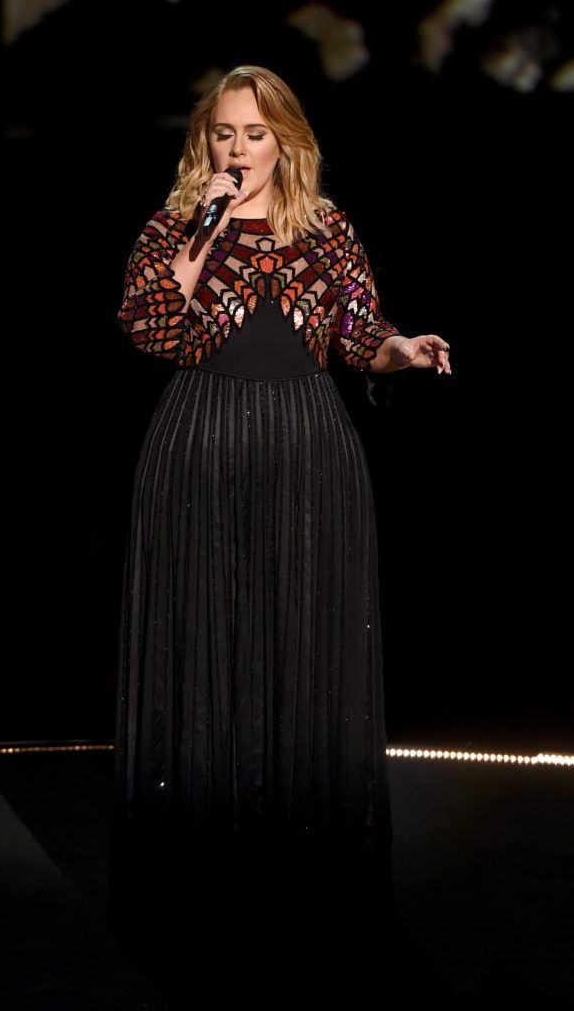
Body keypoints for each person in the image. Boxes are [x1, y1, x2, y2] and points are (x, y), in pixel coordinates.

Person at [107, 65, 452, 1010]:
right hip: (200, 442)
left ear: (287, 142)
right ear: (204, 143)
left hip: (307, 449)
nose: (237, 149)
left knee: (302, 644)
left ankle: (307, 881)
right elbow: (145, 322)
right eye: (223, 134)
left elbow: (355, 331)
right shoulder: (178, 223)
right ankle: (195, 888)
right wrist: (198, 229)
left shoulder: (325, 228)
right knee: (206, 642)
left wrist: (400, 350)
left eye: (255, 135)